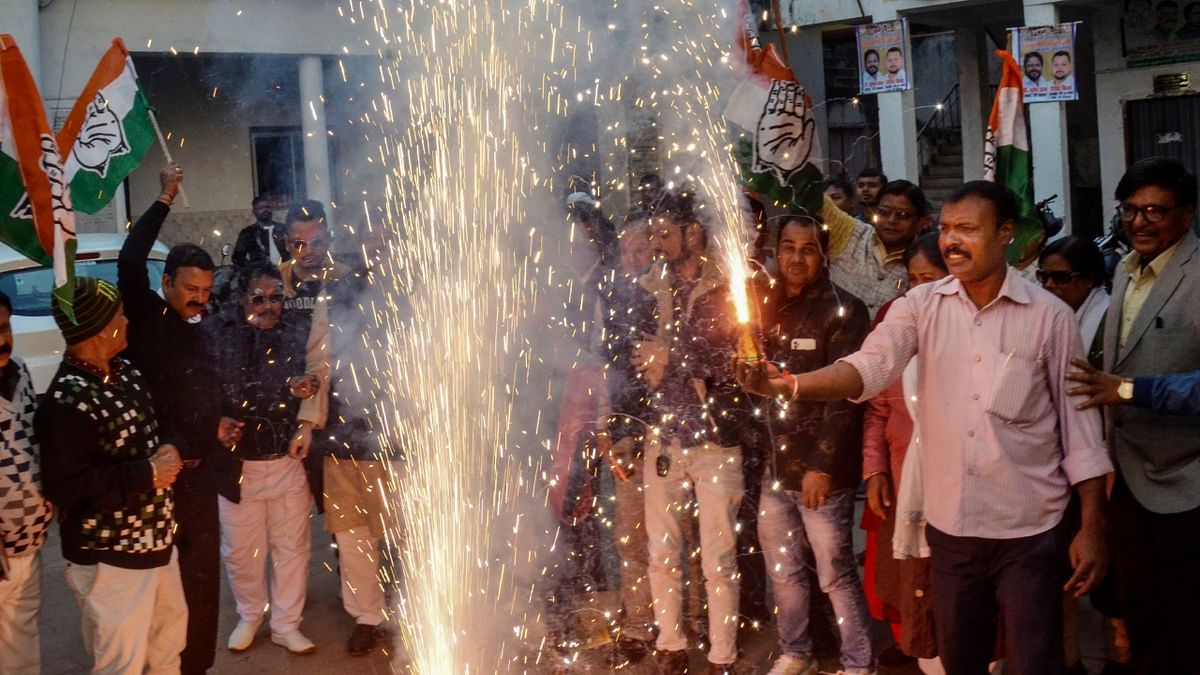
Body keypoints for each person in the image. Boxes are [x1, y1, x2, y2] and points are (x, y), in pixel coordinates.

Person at [736, 181, 1112, 673]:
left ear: (1005, 235)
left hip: (1030, 530)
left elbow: (1081, 433)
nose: (953, 240)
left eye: (968, 229)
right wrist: (790, 385)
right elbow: (868, 367)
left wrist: (1092, 527)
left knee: (1033, 660)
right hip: (952, 528)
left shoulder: (1051, 318)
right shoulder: (920, 306)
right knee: (960, 657)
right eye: (948, 228)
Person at [1072, 157, 1200, 674]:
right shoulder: (1125, 271)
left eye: (1155, 211)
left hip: (1187, 482)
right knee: (1139, 615)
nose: (1140, 221)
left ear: (1187, 215)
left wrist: (1126, 390)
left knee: (1187, 626)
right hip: (1125, 477)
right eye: (1130, 209)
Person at [36, 277, 188, 674]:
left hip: (156, 544)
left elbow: (161, 419)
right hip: (111, 560)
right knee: (122, 663)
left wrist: (170, 444)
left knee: (168, 646)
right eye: (120, 313)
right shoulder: (66, 400)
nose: (127, 319)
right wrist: (146, 474)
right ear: (101, 329)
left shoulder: (125, 372)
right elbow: (66, 486)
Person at [117, 163, 227, 675]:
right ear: (166, 284)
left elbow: (209, 397)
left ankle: (197, 667)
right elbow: (129, 258)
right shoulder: (147, 315)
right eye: (189, 289)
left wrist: (223, 426)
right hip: (157, 481)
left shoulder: (205, 328)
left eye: (205, 290)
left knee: (204, 580)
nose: (198, 299)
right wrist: (164, 197)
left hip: (201, 478)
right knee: (162, 585)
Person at [755, 216, 874, 675]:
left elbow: (847, 397)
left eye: (808, 249)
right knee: (783, 570)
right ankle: (796, 651)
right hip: (775, 464)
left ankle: (859, 662)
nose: (796, 258)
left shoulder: (845, 310)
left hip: (821, 470)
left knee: (834, 573)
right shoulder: (764, 306)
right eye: (788, 247)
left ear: (824, 255)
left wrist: (821, 465)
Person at [633, 190, 746, 675]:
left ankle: (722, 655)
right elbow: (629, 356)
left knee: (719, 557)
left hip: (715, 441)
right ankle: (671, 644)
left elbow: (737, 361)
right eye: (653, 233)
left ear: (693, 233)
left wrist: (672, 357)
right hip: (664, 438)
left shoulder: (731, 286)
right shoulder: (644, 288)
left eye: (664, 233)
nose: (656, 243)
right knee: (662, 553)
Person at [209, 264, 317, 655]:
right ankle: (250, 615)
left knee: (293, 549)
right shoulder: (221, 336)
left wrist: (305, 388)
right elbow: (209, 393)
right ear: (243, 300)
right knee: (241, 553)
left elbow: (310, 379)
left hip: (286, 462)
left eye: (275, 298)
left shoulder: (295, 332)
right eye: (259, 298)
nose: (268, 306)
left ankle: (287, 623)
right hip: (240, 468)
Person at [310, 228, 405, 657]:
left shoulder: (420, 291)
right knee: (353, 539)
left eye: (387, 242)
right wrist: (308, 422)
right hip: (346, 442)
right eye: (373, 240)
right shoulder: (337, 295)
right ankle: (368, 616)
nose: (379, 250)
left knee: (411, 537)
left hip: (403, 442)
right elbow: (319, 361)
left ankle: (415, 612)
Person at [860, 233, 947, 672]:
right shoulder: (894, 326)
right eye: (911, 280)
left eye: (928, 279)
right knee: (914, 592)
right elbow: (876, 409)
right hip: (903, 483)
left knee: (958, 599)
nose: (918, 290)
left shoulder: (965, 332)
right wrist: (875, 471)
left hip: (957, 491)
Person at [596, 218, 659, 667]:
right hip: (625, 434)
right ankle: (639, 622)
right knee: (630, 537)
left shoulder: (671, 297)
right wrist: (606, 426)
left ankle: (686, 620)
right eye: (627, 253)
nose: (633, 260)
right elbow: (607, 369)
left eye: (642, 251)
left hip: (671, 435)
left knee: (676, 537)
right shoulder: (615, 300)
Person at [0, 290, 52, 675]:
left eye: (4, 327)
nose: (1, 338)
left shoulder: (17, 370)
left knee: (22, 637)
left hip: (28, 543)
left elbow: (34, 439)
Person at [822, 179, 933, 318]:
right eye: (884, 212)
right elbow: (813, 198)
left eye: (903, 215)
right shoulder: (850, 231)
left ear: (921, 222)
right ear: (873, 213)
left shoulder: (925, 260)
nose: (891, 220)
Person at [1038, 235, 1110, 362]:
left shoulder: (1109, 318)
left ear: (1089, 279)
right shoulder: (1043, 314)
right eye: (1043, 276)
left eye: (1060, 277)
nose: (1049, 284)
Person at [232, 195, 289, 268]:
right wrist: (252, 269)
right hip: (261, 275)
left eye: (268, 207)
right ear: (254, 212)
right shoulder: (248, 233)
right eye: (261, 208)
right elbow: (237, 257)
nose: (265, 210)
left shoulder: (283, 228)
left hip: (285, 272)